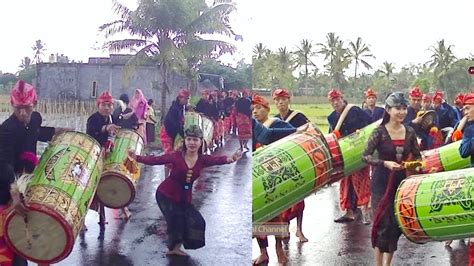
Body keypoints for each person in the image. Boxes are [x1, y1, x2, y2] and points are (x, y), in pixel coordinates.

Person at [128, 125, 241, 256]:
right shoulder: (176, 156)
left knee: (196, 221)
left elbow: (218, 159)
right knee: (175, 219)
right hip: (166, 194)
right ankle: (172, 248)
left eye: (195, 140)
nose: (192, 143)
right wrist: (137, 157)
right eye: (189, 139)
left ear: (200, 142)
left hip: (184, 196)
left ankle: (178, 246)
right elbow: (156, 160)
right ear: (185, 141)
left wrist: (230, 159)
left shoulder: (203, 159)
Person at [0, 80, 69, 266]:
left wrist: (58, 131)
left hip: (27, 184)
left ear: (35, 105)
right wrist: (14, 193)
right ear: (12, 105)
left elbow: (35, 132)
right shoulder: (6, 130)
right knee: (9, 248)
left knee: (27, 239)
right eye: (18, 108)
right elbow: (4, 164)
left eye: (27, 108)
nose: (23, 113)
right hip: (6, 189)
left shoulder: (35, 118)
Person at [362, 92, 421, 266]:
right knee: (382, 222)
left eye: (404, 108)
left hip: (400, 182)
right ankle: (378, 263)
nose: (402, 112)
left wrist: (411, 166)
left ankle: (388, 264)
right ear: (388, 110)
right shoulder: (379, 132)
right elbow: (365, 157)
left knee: (396, 224)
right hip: (381, 181)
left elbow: (418, 158)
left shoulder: (410, 132)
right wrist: (384, 163)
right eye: (398, 108)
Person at [327, 89, 372, 224]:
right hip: (344, 153)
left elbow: (369, 124)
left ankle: (365, 212)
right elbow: (331, 135)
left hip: (359, 150)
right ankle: (349, 212)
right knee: (345, 182)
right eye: (332, 101)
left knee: (362, 180)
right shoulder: (331, 118)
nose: (336, 102)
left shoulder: (355, 110)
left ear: (342, 98)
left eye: (337, 99)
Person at [272, 88, 310, 242]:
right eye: (277, 100)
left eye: (283, 99)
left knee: (299, 199)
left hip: (296, 161)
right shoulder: (272, 121)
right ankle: (285, 229)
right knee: (281, 199)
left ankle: (299, 230)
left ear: (289, 100)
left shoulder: (299, 117)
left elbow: (309, 134)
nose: (280, 102)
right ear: (274, 102)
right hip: (280, 164)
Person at [86, 91, 124, 224]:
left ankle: (102, 218)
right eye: (104, 105)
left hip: (105, 155)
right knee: (89, 188)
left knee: (104, 184)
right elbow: (91, 133)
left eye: (109, 105)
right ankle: (82, 221)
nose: (107, 108)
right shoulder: (93, 119)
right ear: (98, 105)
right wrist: (105, 128)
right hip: (93, 156)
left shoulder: (111, 118)